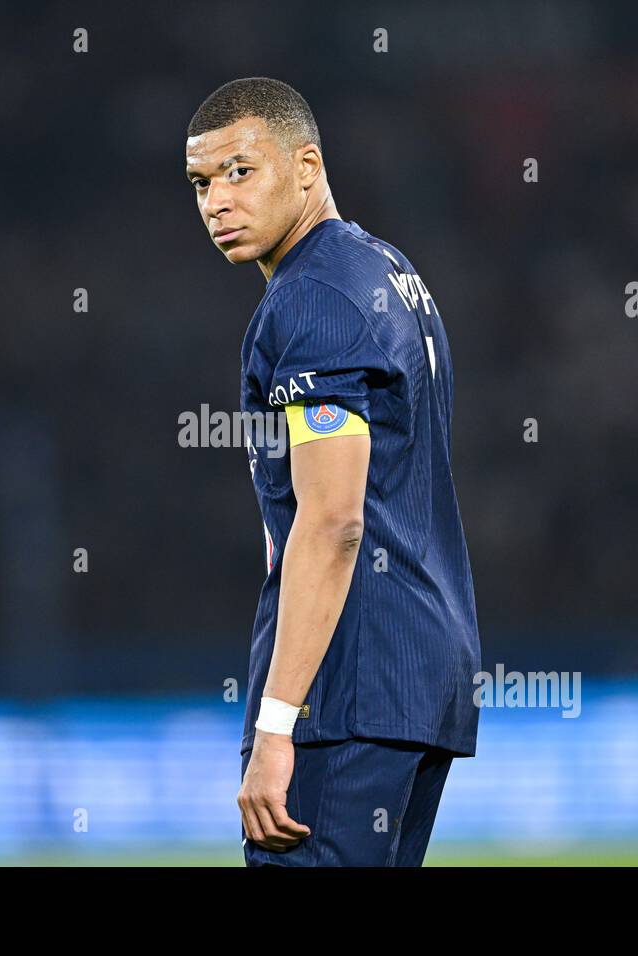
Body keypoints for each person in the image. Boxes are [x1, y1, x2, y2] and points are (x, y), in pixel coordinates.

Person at [184, 77, 482, 866]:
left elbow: (335, 518)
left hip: (349, 686)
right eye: (203, 183)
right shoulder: (388, 273)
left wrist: (277, 725)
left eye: (241, 172)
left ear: (307, 166)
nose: (218, 200)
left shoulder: (311, 298)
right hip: (418, 678)